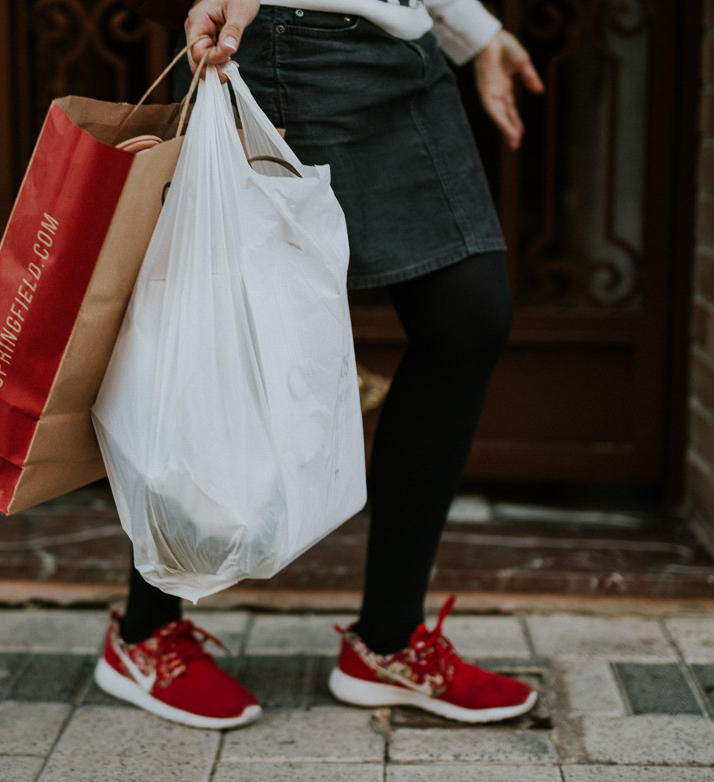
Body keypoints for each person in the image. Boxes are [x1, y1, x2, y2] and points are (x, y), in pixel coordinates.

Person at [92, 0, 546, 730]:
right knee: (218, 344)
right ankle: (145, 634)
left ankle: (386, 643)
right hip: (280, 42)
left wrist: (476, 32)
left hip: (405, 56)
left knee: (468, 319)